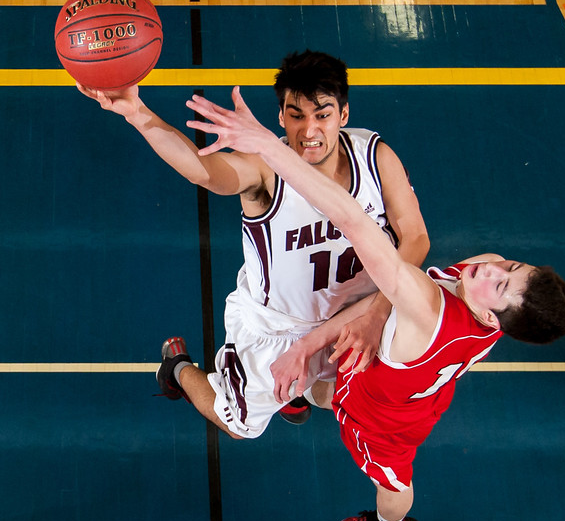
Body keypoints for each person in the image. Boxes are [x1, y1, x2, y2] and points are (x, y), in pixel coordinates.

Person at [184, 86, 565, 521]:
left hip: (383, 416)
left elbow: (351, 219)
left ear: (494, 320)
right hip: (424, 381)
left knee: (393, 480)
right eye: (512, 266)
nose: (492, 268)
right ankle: (301, 392)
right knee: (327, 375)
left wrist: (270, 146)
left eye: (501, 284)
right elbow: (375, 307)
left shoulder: (427, 306)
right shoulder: (492, 307)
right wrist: (312, 345)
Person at [77, 50, 430, 438]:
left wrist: (376, 313)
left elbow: (415, 237)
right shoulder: (265, 170)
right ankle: (177, 367)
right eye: (296, 115)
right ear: (280, 117)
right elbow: (204, 171)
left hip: (357, 314)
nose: (309, 131)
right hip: (278, 327)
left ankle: (303, 388)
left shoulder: (375, 157)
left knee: (347, 396)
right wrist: (136, 112)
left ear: (344, 114)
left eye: (322, 115)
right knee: (237, 428)